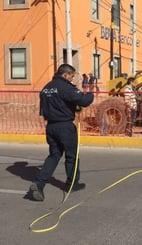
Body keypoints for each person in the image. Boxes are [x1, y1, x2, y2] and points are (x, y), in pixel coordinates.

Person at [29, 64, 94, 201]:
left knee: (54, 156)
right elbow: (83, 100)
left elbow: (54, 105)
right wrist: (90, 94)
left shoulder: (46, 88)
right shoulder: (65, 87)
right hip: (65, 126)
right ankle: (72, 184)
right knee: (72, 156)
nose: (72, 79)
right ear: (65, 74)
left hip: (51, 126)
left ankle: (38, 184)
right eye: (71, 76)